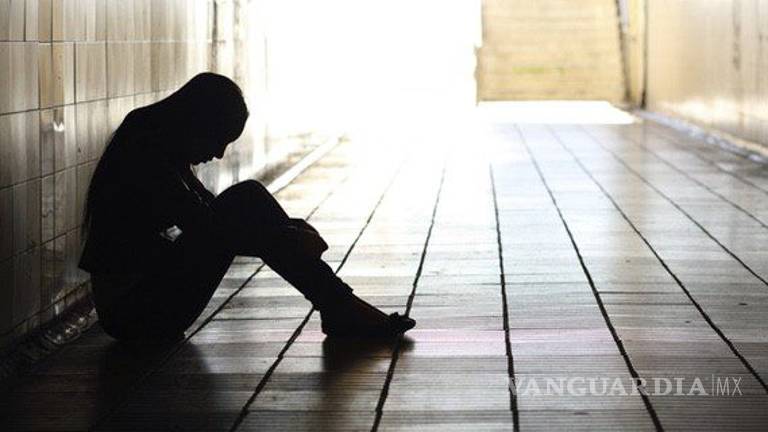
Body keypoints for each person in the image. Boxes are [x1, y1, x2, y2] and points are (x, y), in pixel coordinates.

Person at [79, 72, 415, 342]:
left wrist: (290, 229)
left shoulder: (155, 134)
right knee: (246, 199)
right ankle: (339, 305)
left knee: (247, 197)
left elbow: (210, 212)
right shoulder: (146, 147)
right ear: (197, 122)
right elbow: (209, 226)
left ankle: (337, 305)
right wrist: (289, 237)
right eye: (218, 139)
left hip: (144, 302)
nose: (219, 154)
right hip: (134, 314)